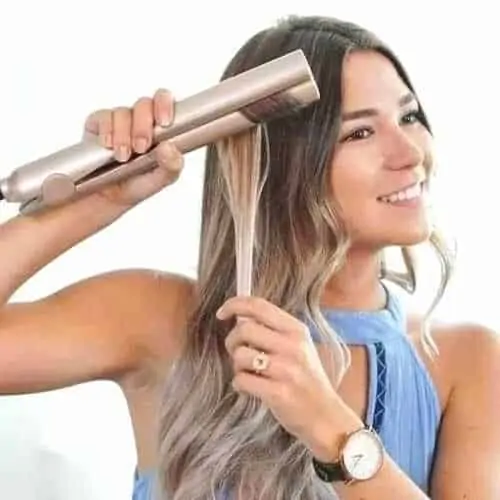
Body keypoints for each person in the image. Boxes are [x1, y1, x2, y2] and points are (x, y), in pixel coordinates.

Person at [0, 14, 498, 500]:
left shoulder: (465, 361)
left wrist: (328, 427)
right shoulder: (160, 319)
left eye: (409, 117)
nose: (411, 152)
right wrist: (99, 198)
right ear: (281, 164)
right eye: (360, 133)